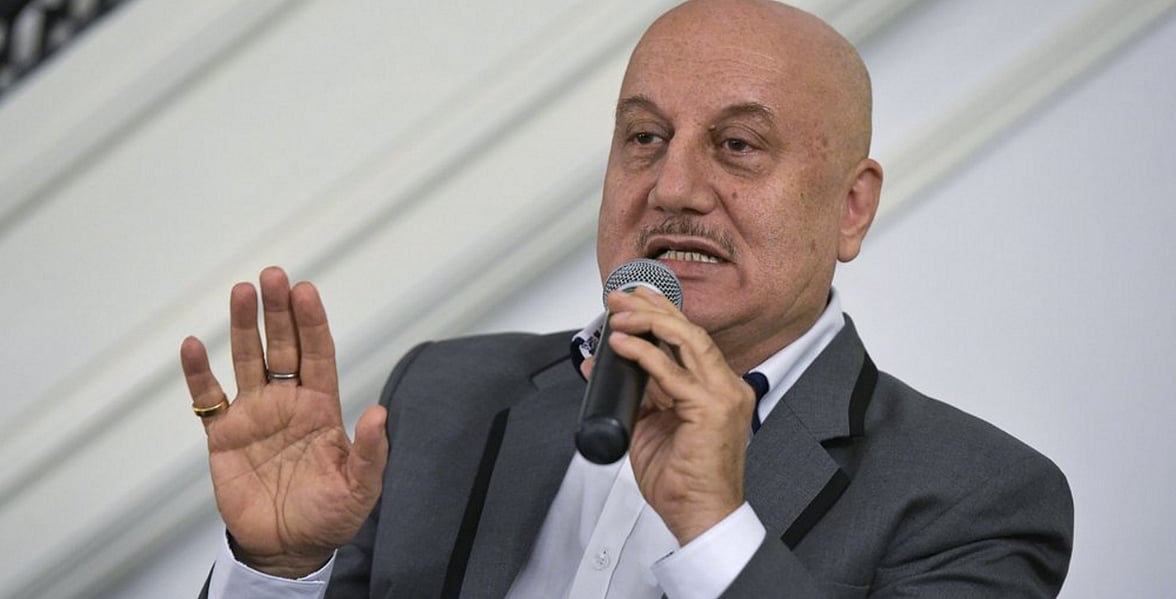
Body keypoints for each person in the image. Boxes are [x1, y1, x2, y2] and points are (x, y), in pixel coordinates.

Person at [180, 0, 1074, 597]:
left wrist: (716, 530)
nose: (673, 186)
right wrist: (277, 571)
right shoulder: (445, 393)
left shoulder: (978, 498)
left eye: (737, 145)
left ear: (852, 205)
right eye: (645, 136)